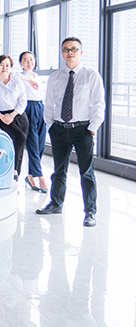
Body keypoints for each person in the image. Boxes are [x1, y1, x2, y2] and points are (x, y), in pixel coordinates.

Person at [37, 37, 105, 227]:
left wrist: (92, 129)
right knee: (59, 170)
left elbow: (99, 105)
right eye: (66, 49)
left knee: (87, 172)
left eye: (74, 49)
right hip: (59, 129)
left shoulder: (91, 75)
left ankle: (90, 211)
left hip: (83, 130)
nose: (70, 52)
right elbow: (49, 104)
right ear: (62, 53)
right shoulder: (55, 77)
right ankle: (56, 204)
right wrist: (50, 126)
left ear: (81, 52)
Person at [0, 54, 29, 181]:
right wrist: (2, 117)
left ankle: (16, 175)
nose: (4, 67)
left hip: (19, 115)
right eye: (1, 65)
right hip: (3, 117)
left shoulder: (17, 82)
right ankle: (12, 170)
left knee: (20, 145)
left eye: (7, 65)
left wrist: (13, 115)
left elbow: (23, 101)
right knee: (19, 137)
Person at [18, 51, 48, 193]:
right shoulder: (19, 76)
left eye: (31, 59)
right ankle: (40, 177)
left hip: (40, 107)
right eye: (25, 60)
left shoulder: (37, 76)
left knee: (40, 144)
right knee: (32, 143)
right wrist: (30, 81)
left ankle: (30, 175)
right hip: (28, 108)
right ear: (21, 63)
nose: (29, 62)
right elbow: (13, 75)